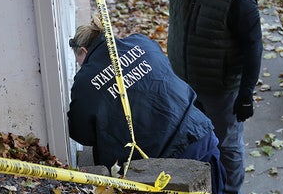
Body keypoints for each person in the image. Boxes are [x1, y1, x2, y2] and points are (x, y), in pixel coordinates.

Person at [77, 0, 263, 194]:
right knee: (190, 138)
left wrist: (245, 94)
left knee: (227, 145)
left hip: (219, 90)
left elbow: (253, 47)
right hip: (183, 83)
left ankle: (230, 190)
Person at [67, 15, 226, 194]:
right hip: (197, 136)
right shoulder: (141, 42)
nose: (82, 67)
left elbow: (80, 133)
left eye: (79, 62)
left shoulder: (85, 81)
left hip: (154, 168)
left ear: (83, 51)